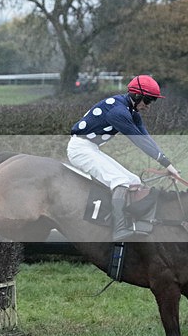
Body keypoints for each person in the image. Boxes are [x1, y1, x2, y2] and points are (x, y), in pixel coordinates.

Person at [68, 75, 180, 241]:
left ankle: (134, 223)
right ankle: (119, 230)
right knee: (120, 181)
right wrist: (166, 164)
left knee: (134, 180)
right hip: (80, 150)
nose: (148, 106)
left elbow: (146, 137)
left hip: (91, 148)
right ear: (136, 96)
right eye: (147, 101)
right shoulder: (118, 112)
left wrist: (168, 164)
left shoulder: (130, 109)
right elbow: (139, 141)